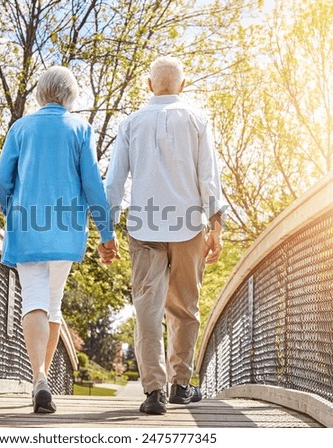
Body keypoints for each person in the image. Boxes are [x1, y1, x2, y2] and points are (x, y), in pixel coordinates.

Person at [104, 56, 226, 415]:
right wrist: (216, 226)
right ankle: (180, 386)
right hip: (189, 225)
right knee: (185, 307)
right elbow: (209, 178)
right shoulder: (197, 119)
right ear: (183, 86)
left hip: (143, 227)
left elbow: (113, 182)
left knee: (146, 308)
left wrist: (106, 230)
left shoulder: (130, 123)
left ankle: (153, 392)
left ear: (148, 85)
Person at [0, 66, 118, 414]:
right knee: (53, 302)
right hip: (65, 228)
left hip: (27, 226)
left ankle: (38, 379)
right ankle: (44, 376)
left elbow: (2, 181)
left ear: (39, 93)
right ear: (69, 95)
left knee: (33, 297)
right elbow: (93, 185)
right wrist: (106, 234)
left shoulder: (20, 128)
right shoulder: (80, 129)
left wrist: (11, 210)